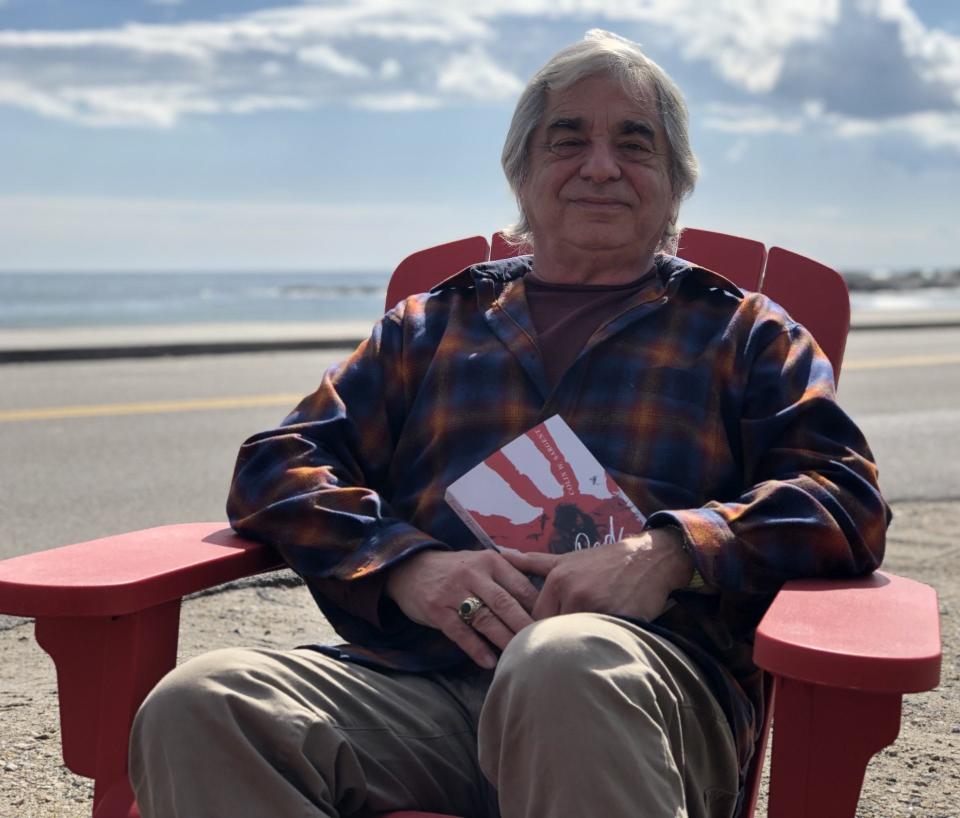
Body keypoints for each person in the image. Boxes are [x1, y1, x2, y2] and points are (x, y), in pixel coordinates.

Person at [129, 29, 889, 818]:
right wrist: (407, 566)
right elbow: (276, 467)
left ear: (675, 184)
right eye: (569, 140)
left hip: (636, 692)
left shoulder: (743, 333)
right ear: (522, 173)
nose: (601, 165)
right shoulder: (431, 327)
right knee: (202, 702)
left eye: (636, 144)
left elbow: (844, 496)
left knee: (561, 662)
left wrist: (667, 552)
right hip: (424, 692)